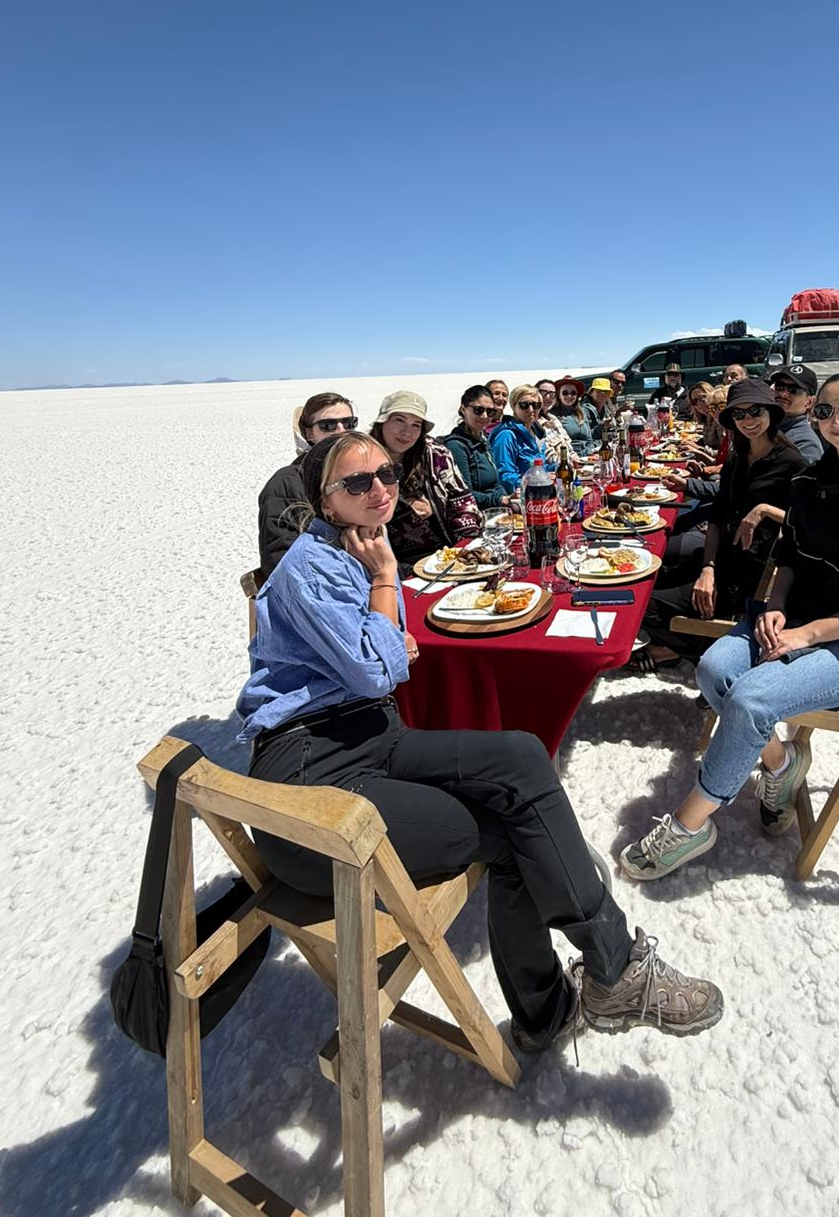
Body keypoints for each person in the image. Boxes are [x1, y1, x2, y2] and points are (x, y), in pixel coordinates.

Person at [238, 430, 723, 1047]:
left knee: (520, 754)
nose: (380, 488)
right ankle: (596, 982)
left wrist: (386, 637)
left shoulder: (352, 544)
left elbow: (387, 657)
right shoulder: (314, 565)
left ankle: (588, 985)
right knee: (517, 836)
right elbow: (379, 668)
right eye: (357, 482)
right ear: (325, 500)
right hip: (309, 789)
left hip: (370, 736)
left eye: (387, 474)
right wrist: (385, 582)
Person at [618, 375, 839, 880]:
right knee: (713, 671)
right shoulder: (812, 483)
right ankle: (780, 764)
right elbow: (789, 555)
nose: (836, 420)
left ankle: (691, 825)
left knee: (750, 700)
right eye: (825, 411)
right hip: (791, 619)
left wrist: (806, 634)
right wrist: (775, 604)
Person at [642, 380, 807, 668]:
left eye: (755, 411)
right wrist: (708, 569)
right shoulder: (738, 458)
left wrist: (765, 510)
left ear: (770, 411)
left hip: (747, 579)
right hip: (721, 562)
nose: (748, 420)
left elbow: (811, 524)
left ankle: (698, 652)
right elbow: (717, 516)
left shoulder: (792, 463)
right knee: (646, 582)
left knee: (643, 605)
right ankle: (690, 644)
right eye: (739, 414)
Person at [371, 390, 481, 564]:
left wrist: (466, 547)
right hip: (389, 561)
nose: (407, 432)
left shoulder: (435, 455)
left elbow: (462, 501)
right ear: (382, 422)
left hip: (444, 553)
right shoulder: (364, 459)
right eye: (399, 420)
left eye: (416, 425)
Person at [257, 391, 357, 577]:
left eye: (349, 423)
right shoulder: (287, 483)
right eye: (328, 426)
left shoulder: (360, 474)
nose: (342, 431)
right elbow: (281, 559)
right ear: (309, 433)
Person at [443, 385, 511, 510]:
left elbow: (495, 483)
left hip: (495, 510)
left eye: (490, 412)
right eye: (478, 410)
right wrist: (500, 500)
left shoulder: (482, 440)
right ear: (463, 409)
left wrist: (510, 501)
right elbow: (464, 494)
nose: (485, 416)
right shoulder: (456, 446)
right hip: (476, 514)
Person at [489, 385, 549, 492]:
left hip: (540, 491)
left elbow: (542, 468)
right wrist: (534, 482)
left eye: (536, 405)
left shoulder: (538, 434)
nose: (531, 410)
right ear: (514, 406)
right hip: (519, 495)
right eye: (524, 405)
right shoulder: (506, 436)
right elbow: (504, 476)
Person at [769, 363, 824, 463]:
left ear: (810, 402)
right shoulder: (765, 426)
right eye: (779, 387)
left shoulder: (806, 444)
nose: (783, 394)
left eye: (793, 390)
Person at [551, 376, 595, 456]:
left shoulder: (582, 413)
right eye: (565, 393)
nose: (569, 396)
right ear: (559, 395)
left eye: (573, 393)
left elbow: (589, 440)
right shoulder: (552, 416)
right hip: (569, 457)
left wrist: (590, 453)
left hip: (587, 457)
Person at [584, 377, 619, 446]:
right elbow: (586, 436)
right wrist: (602, 427)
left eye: (605, 391)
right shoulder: (584, 411)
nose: (602, 393)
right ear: (591, 393)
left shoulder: (607, 408)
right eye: (599, 390)